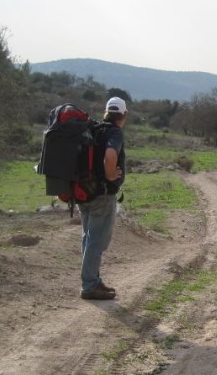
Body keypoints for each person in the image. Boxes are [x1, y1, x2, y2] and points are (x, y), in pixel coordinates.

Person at [79, 97, 127, 300]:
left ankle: (93, 280)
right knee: (97, 240)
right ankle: (89, 285)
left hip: (84, 192)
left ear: (106, 111)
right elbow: (110, 154)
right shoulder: (114, 132)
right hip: (102, 194)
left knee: (88, 238)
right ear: (124, 115)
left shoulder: (95, 129)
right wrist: (109, 175)